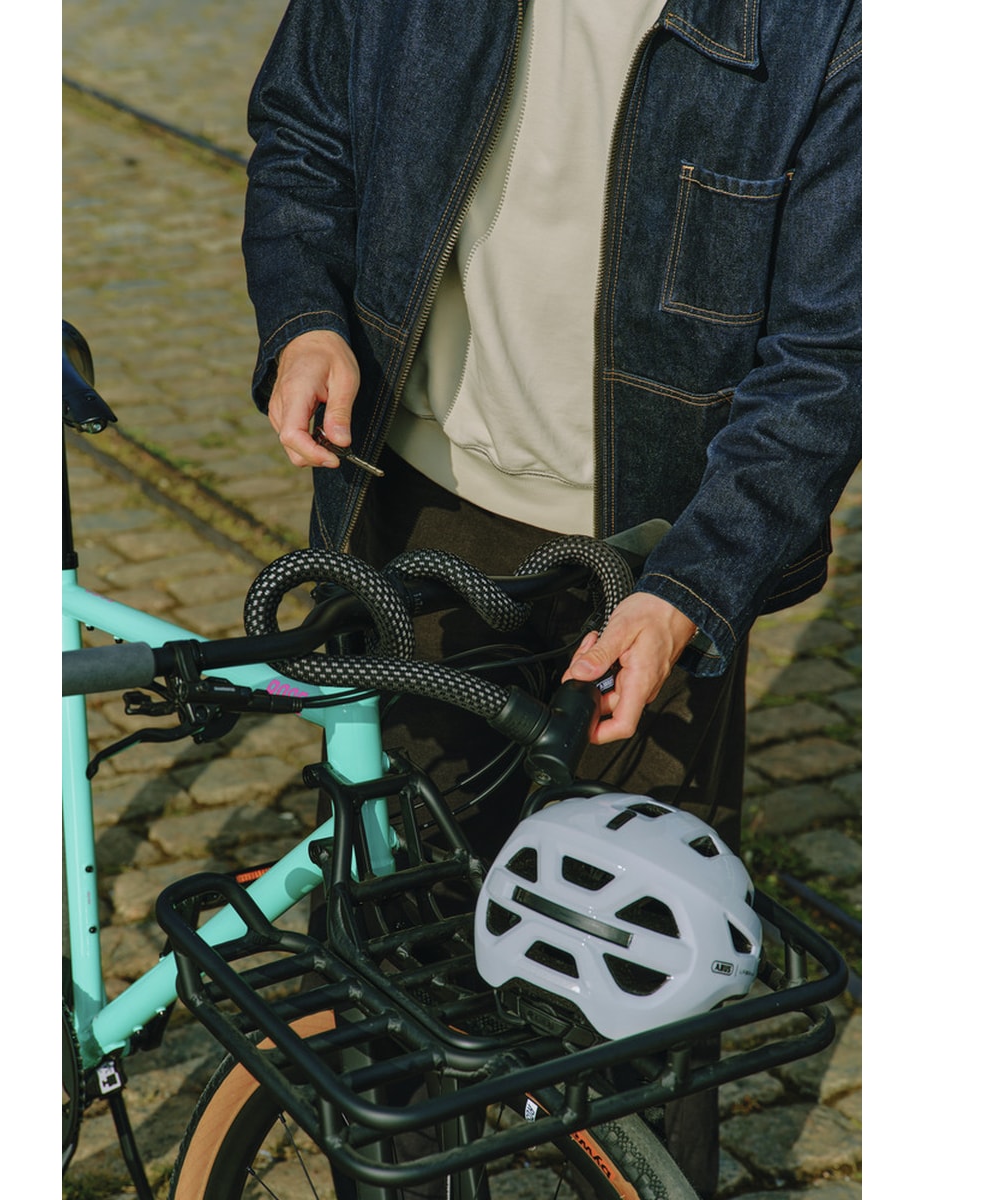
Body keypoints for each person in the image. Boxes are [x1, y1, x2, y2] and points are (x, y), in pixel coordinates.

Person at [242, 3, 861, 1195]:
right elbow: (304, 134)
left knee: (646, 983)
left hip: (658, 559)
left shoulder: (831, 27)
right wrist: (306, 316)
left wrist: (691, 590)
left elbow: (833, 355)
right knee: (407, 963)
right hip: (415, 515)